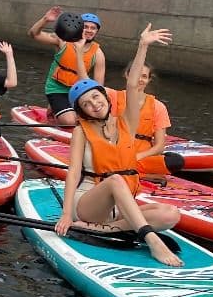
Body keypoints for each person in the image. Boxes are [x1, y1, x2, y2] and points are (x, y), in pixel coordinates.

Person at [53, 25, 182, 267]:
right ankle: (151, 240)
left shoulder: (126, 124)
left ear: (105, 97)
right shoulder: (81, 131)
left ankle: (105, 229)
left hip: (119, 207)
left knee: (170, 215)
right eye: (86, 104)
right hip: (89, 202)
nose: (94, 104)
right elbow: (73, 173)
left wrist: (143, 45)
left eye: (96, 97)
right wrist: (67, 214)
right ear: (82, 111)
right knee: (115, 180)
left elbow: (132, 86)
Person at [28, 6, 107, 126]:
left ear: (97, 31)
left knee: (92, 117)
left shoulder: (98, 53)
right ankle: (57, 110)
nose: (89, 30)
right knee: (70, 122)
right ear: (79, 27)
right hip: (57, 88)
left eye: (93, 28)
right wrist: (45, 19)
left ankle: (56, 109)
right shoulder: (63, 41)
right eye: (86, 27)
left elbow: (99, 85)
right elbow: (34, 34)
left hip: (78, 91)